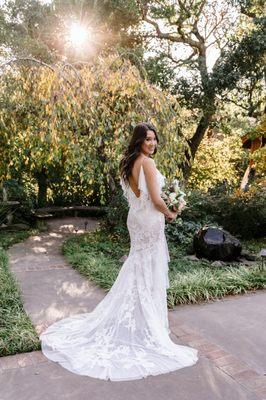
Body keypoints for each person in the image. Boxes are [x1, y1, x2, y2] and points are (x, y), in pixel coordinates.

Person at [40, 122, 198, 381]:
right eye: (148, 139)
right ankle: (148, 324)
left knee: (139, 265)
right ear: (139, 140)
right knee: (147, 267)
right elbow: (157, 200)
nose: (153, 144)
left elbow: (139, 195)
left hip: (136, 218)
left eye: (155, 139)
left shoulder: (129, 161)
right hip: (148, 220)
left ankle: (142, 319)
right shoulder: (147, 162)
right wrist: (172, 213)